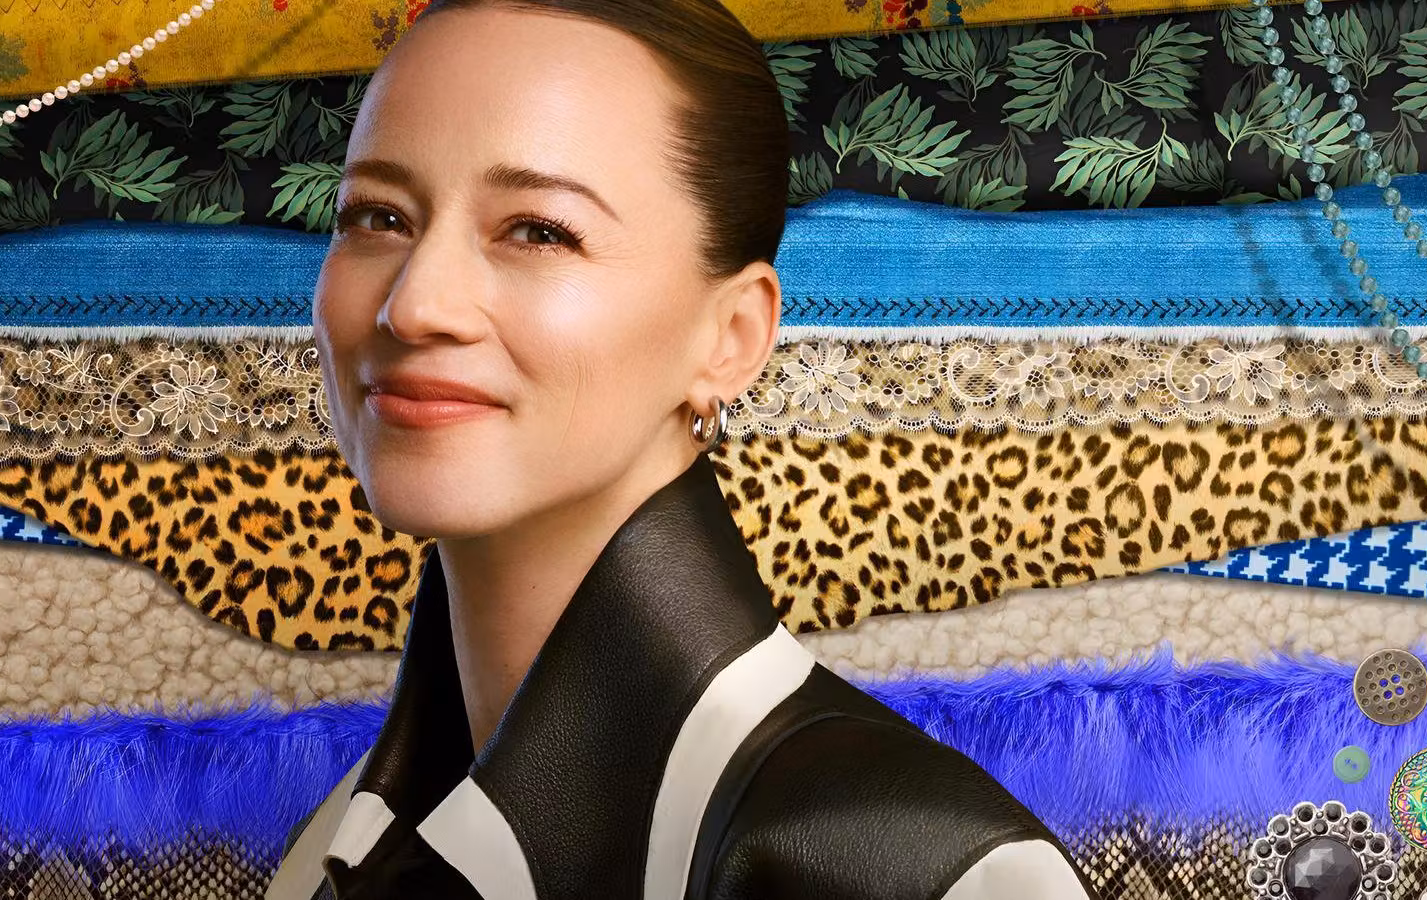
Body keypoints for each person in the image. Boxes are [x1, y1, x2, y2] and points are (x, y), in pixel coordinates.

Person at [266, 1, 1094, 897]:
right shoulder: (334, 851)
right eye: (377, 217)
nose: (415, 304)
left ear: (731, 338)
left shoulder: (910, 869)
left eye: (539, 231)